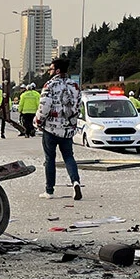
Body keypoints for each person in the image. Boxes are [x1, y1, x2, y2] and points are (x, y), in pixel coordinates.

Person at [36, 58, 82, 200]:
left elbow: (45, 106)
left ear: (57, 70)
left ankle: (49, 191)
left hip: (51, 129)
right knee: (69, 156)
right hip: (67, 129)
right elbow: (78, 105)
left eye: (50, 69)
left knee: (50, 159)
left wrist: (38, 121)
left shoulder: (49, 85)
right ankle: (75, 183)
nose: (49, 72)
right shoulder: (74, 85)